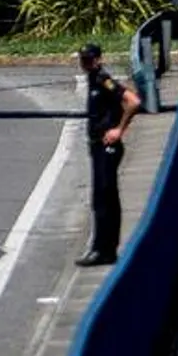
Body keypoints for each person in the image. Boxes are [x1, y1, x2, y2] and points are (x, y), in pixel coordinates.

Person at [76, 43, 140, 267]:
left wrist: (119, 130)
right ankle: (105, 248)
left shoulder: (104, 80)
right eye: (83, 59)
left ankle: (102, 249)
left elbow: (133, 101)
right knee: (103, 197)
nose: (86, 63)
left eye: (90, 59)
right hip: (97, 146)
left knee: (104, 198)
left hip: (107, 146)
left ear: (99, 59)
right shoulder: (93, 80)